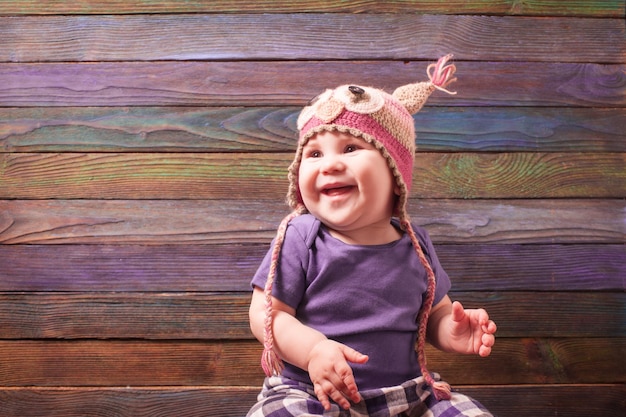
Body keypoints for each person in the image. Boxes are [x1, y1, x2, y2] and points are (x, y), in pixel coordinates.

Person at [247, 54, 497, 417]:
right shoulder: (302, 237)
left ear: (395, 173)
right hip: (314, 393)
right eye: (313, 153)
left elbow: (435, 312)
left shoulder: (416, 245)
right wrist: (314, 350)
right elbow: (267, 315)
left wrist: (450, 331)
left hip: (408, 394)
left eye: (350, 148)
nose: (329, 164)